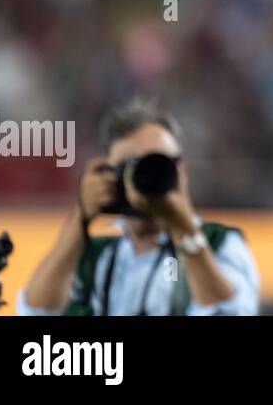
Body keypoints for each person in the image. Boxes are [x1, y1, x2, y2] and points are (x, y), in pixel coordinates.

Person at [18, 99, 260, 316]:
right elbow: (35, 311)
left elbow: (232, 311)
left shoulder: (220, 244)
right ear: (110, 176)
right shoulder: (96, 257)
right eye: (130, 167)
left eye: (159, 164)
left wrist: (182, 225)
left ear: (182, 172)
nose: (146, 176)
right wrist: (81, 217)